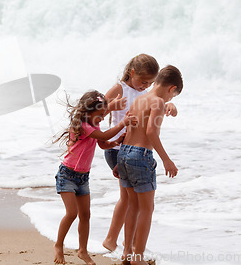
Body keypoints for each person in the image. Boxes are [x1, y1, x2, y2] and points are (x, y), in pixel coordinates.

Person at [102, 54, 177, 252]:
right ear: (132, 73)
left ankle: (130, 245)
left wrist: (167, 104)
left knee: (131, 200)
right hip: (119, 148)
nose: (145, 86)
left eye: (150, 83)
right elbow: (98, 111)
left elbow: (151, 108)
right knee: (130, 200)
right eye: (143, 81)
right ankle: (117, 241)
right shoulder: (121, 89)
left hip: (126, 148)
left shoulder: (143, 96)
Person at [53, 90, 138, 265]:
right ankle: (58, 245)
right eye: (99, 115)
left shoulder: (94, 125)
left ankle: (83, 251)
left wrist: (116, 142)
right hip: (67, 175)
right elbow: (104, 136)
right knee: (72, 213)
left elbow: (103, 143)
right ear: (87, 112)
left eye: (102, 115)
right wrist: (123, 122)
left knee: (86, 215)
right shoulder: (83, 126)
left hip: (83, 177)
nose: (101, 118)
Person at [116, 65, 182, 265]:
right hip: (141, 155)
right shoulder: (159, 102)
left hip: (124, 152)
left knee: (132, 207)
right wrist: (166, 159)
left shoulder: (139, 99)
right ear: (171, 88)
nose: (171, 100)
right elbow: (151, 132)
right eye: (173, 96)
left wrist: (122, 160)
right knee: (147, 208)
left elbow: (130, 128)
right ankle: (138, 257)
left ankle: (127, 253)